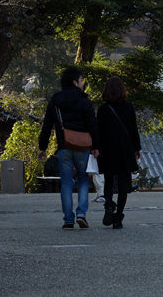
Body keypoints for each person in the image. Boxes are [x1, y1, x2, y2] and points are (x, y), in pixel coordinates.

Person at [38, 66, 99, 229]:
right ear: (75, 82)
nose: (83, 83)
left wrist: (42, 147)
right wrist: (96, 146)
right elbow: (93, 126)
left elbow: (46, 126)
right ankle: (81, 214)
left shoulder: (55, 102)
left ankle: (68, 219)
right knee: (83, 180)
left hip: (64, 146)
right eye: (81, 80)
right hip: (83, 147)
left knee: (66, 183)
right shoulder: (85, 102)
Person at [96, 76, 142, 229]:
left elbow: (98, 131)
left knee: (108, 181)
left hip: (107, 146)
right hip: (125, 146)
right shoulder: (128, 107)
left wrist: (96, 148)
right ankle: (118, 218)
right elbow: (133, 130)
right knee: (123, 184)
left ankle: (109, 206)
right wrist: (137, 148)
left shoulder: (103, 109)